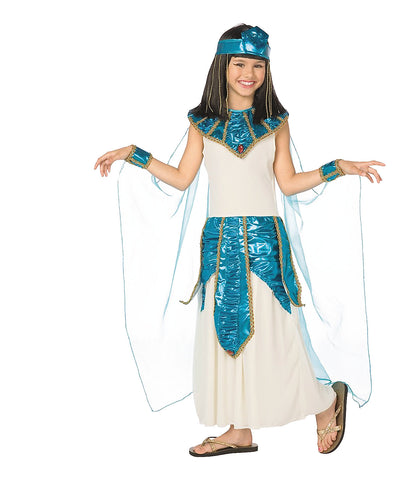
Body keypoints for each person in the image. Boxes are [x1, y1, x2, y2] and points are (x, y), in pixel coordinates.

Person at [94, 24, 385, 457]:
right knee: (226, 336)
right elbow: (181, 178)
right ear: (223, 67)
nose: (249, 73)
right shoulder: (202, 123)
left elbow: (287, 183)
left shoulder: (275, 123)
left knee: (278, 335)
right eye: (240, 64)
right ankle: (239, 430)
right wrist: (134, 154)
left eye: (258, 66)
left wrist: (337, 167)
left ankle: (325, 403)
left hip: (265, 243)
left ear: (267, 71)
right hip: (220, 243)